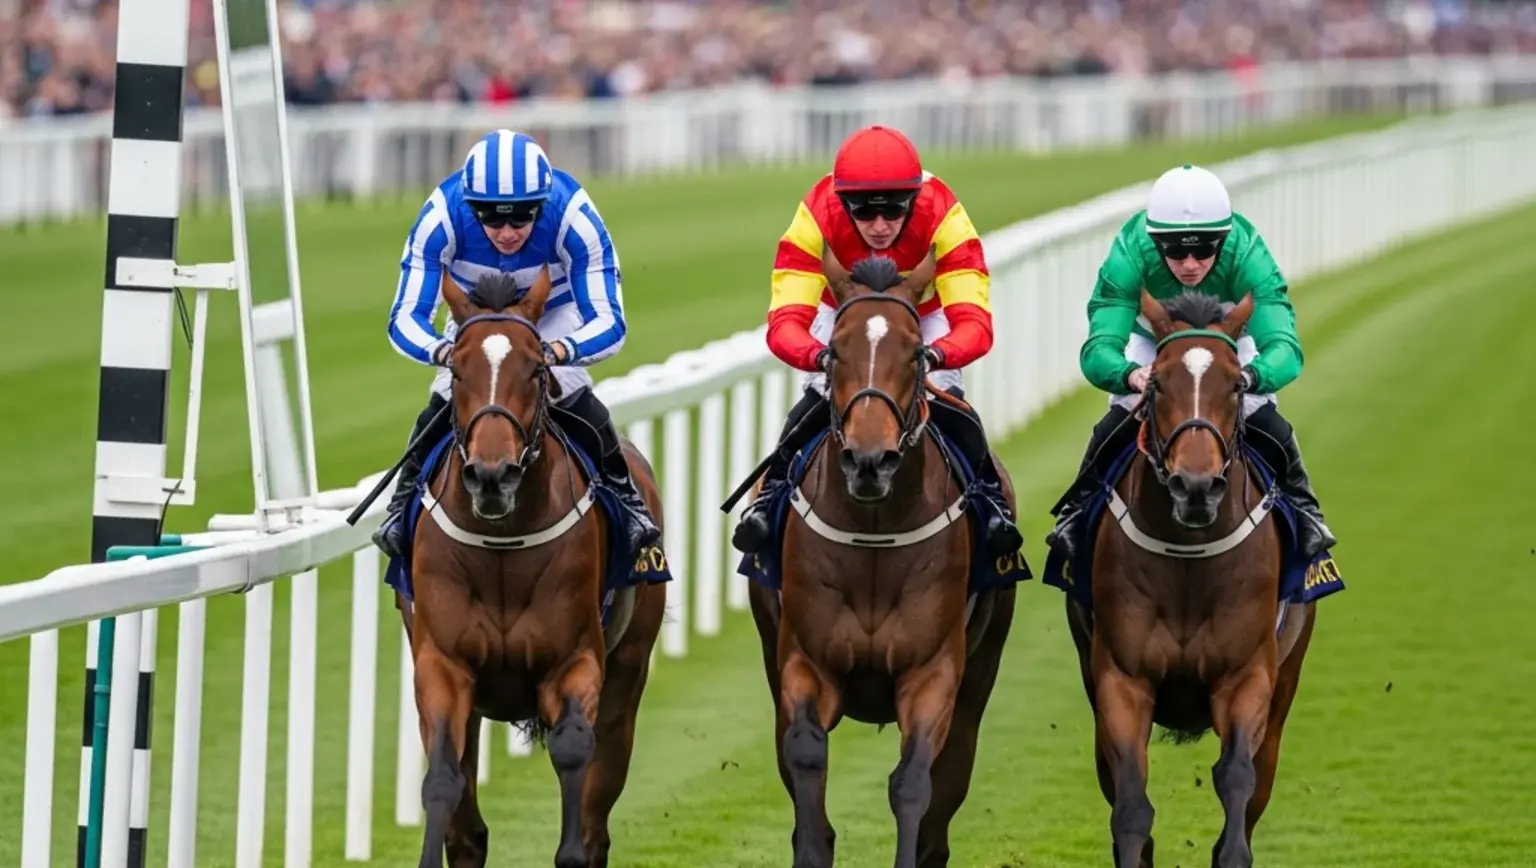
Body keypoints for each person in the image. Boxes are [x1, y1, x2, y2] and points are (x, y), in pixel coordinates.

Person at [730, 124, 1023, 559]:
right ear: (841, 201)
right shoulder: (816, 213)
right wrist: (820, 356)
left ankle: (992, 506)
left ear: (914, 200)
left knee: (953, 403)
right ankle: (770, 501)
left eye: (894, 211)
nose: (880, 226)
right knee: (815, 401)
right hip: (845, 311)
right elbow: (786, 321)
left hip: (925, 314)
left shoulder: (944, 213)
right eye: (864, 212)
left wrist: (937, 354)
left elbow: (974, 323)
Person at [373, 128, 660, 560]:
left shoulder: (572, 214)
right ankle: (400, 508)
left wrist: (557, 352)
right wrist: (446, 353)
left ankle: (628, 504)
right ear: (471, 208)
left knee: (574, 393)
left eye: (522, 217)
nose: (507, 232)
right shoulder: (442, 216)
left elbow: (609, 320)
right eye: (491, 218)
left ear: (541, 205)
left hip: (552, 316)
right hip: (477, 320)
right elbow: (405, 318)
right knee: (442, 399)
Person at [1045, 163, 1336, 561]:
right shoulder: (1130, 253)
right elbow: (1099, 349)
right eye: (1176, 250)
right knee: (1125, 408)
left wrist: (1252, 376)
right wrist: (1129, 375)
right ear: (1154, 242)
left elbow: (1284, 347)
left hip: (1234, 340)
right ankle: (1075, 516)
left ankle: (1306, 512)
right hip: (1153, 341)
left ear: (1224, 239)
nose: (1190, 264)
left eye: (1203, 249)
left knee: (1258, 409)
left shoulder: (1247, 254)